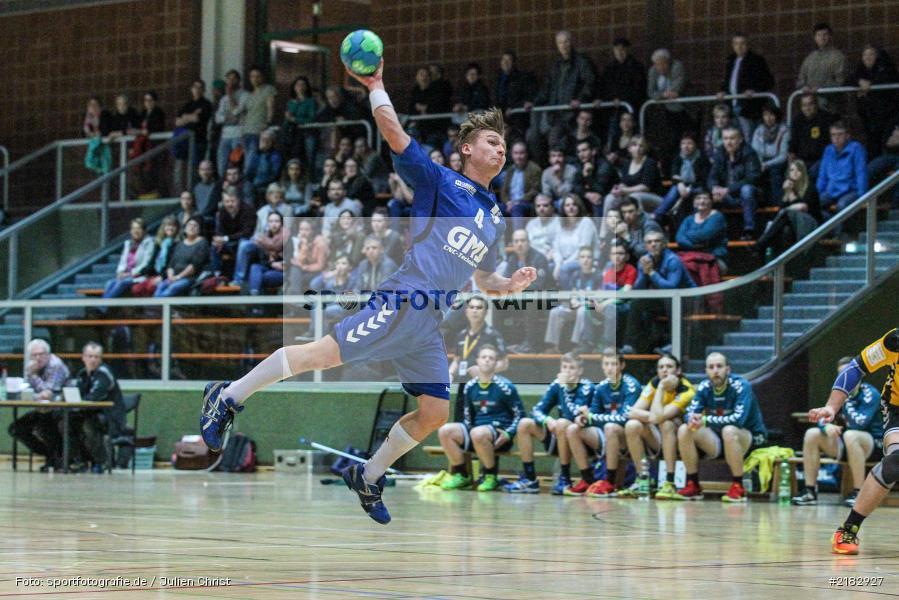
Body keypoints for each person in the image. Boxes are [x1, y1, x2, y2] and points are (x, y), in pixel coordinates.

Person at [200, 62, 537, 524]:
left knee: (435, 411)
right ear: (467, 149)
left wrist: (509, 285)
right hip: (403, 301)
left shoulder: (495, 215)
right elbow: (395, 134)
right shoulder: (441, 181)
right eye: (492, 142)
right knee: (320, 355)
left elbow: (481, 280)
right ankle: (227, 397)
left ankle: (368, 475)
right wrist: (377, 86)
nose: (501, 150)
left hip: (429, 323)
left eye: (504, 145)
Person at [812, 328, 899, 554]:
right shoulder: (895, 341)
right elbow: (857, 367)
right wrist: (832, 406)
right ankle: (848, 529)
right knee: (895, 461)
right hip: (897, 409)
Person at [675, 352, 767, 502]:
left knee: (729, 430)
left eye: (719, 366)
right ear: (706, 371)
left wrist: (704, 420)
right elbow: (689, 413)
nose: (715, 370)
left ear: (728, 370)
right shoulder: (704, 387)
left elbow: (738, 419)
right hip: (720, 440)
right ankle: (693, 484)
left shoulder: (741, 386)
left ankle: (738, 486)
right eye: (711, 367)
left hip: (750, 438)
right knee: (685, 429)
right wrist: (693, 418)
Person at [792, 357, 883, 508]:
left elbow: (859, 423)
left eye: (848, 373)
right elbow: (824, 416)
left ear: (859, 375)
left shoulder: (870, 394)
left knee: (850, 435)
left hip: (874, 445)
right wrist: (825, 427)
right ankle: (810, 491)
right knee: (812, 434)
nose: (845, 378)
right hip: (848, 443)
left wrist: (842, 407)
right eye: (841, 375)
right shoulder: (840, 394)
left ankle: (858, 492)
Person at [438, 345, 525, 492]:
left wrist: (509, 433)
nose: (487, 361)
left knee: (478, 433)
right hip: (476, 434)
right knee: (445, 431)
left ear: (496, 363)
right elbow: (468, 417)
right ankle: (462, 475)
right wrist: (468, 432)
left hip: (499, 435)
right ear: (477, 361)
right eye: (484, 357)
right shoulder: (470, 387)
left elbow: (520, 415)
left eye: (491, 358)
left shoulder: (506, 387)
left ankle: (490, 476)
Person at [504, 353, 592, 494]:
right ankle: (530, 479)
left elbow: (574, 414)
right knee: (524, 423)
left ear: (580, 371)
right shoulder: (556, 385)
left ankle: (565, 478)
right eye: (564, 367)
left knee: (563, 422)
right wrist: (547, 420)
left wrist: (564, 389)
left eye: (572, 368)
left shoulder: (587, 387)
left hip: (580, 441)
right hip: (559, 437)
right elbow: (536, 410)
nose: (567, 371)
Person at [564, 347, 642, 497]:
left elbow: (625, 418)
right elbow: (592, 413)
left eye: (613, 364)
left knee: (611, 427)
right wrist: (583, 419)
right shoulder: (601, 387)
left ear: (622, 366)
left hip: (627, 436)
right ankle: (587, 479)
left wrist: (592, 418)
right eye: (606, 364)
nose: (609, 368)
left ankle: (610, 481)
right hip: (606, 435)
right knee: (573, 429)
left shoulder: (631, 385)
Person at [624, 354, 695, 500]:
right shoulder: (654, 383)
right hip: (659, 439)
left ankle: (669, 482)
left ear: (678, 371)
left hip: (682, 442)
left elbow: (660, 417)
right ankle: (642, 479)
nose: (664, 371)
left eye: (669, 367)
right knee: (632, 425)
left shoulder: (686, 390)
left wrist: (662, 388)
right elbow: (632, 411)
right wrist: (653, 416)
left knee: (667, 423)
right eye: (661, 367)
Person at [525, 30, 597, 162]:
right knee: (537, 137)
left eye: (566, 41)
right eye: (560, 42)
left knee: (560, 142)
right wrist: (534, 103)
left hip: (572, 114)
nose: (563, 45)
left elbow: (590, 83)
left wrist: (580, 99)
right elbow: (547, 88)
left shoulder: (582, 62)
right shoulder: (556, 66)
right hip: (556, 114)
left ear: (571, 42)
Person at [622, 230, 694, 354]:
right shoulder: (644, 261)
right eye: (649, 242)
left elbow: (671, 288)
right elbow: (638, 289)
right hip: (663, 298)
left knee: (670, 300)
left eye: (657, 241)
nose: (653, 244)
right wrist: (645, 273)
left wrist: (651, 273)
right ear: (645, 246)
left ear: (664, 244)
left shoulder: (673, 260)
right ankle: (630, 344)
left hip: (688, 299)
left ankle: (674, 344)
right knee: (636, 302)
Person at [7, 339, 69, 470]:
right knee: (16, 429)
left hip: (61, 409)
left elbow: (48, 393)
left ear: (48, 354)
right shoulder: (34, 366)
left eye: (41, 354)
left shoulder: (55, 365)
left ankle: (56, 457)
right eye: (34, 355)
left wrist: (33, 375)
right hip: (43, 409)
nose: (38, 358)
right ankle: (50, 454)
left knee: (45, 425)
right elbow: (28, 391)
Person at [72, 342, 124, 472]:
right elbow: (76, 395)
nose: (93, 360)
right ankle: (76, 460)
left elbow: (93, 397)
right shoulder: (82, 374)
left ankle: (100, 461)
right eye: (90, 356)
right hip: (91, 413)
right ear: (83, 358)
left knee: (87, 424)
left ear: (101, 359)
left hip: (110, 416)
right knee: (65, 422)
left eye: (96, 357)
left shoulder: (104, 374)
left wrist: (79, 402)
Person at [754, 159, 821, 259]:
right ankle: (778, 262)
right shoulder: (788, 188)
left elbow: (803, 207)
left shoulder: (810, 187)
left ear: (803, 172)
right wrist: (787, 193)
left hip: (810, 222)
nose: (794, 173)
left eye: (798, 170)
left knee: (786, 213)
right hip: (794, 224)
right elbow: (780, 210)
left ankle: (761, 243)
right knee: (784, 230)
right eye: (792, 170)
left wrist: (790, 196)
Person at [675, 190, 728, 309]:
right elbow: (679, 238)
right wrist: (696, 246)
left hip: (715, 258)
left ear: (711, 201)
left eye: (705, 198)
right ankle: (688, 307)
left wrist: (688, 235)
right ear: (693, 202)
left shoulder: (717, 217)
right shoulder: (689, 219)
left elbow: (705, 235)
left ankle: (699, 306)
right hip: (692, 256)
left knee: (690, 267)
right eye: (698, 198)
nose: (702, 201)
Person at [544, 246, 602, 354]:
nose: (585, 260)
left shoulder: (598, 275)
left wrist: (583, 303)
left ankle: (577, 344)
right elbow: (573, 293)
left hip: (592, 308)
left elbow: (598, 298)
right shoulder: (576, 275)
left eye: (589, 257)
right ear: (578, 259)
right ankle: (553, 345)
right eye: (582, 257)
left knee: (582, 311)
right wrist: (574, 301)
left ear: (593, 259)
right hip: (577, 305)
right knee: (555, 312)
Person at [707, 126, 762, 239]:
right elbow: (712, 177)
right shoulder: (720, 153)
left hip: (748, 196)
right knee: (701, 195)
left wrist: (727, 189)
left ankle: (749, 230)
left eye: (732, 138)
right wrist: (714, 188)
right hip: (726, 195)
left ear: (740, 139)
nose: (728, 142)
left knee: (746, 189)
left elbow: (752, 178)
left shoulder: (749, 153)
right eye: (725, 138)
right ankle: (707, 233)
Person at [502, 229, 551, 354]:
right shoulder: (512, 259)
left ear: (528, 242)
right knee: (497, 306)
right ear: (512, 244)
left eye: (523, 240)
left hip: (543, 300)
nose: (519, 244)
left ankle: (530, 344)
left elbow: (538, 285)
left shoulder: (539, 258)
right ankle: (501, 343)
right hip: (519, 299)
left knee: (530, 302)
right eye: (516, 241)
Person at [718, 34, 775, 133]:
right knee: (733, 135)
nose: (739, 47)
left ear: (748, 45)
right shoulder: (730, 60)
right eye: (736, 44)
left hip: (748, 107)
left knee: (748, 136)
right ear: (733, 46)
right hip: (732, 105)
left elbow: (768, 81)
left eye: (742, 43)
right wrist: (722, 91)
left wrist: (754, 90)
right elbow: (727, 81)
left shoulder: (757, 60)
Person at [851, 46, 899, 157]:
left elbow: (888, 79)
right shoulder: (860, 69)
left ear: (877, 57)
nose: (867, 57)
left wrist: (869, 88)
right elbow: (848, 80)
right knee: (872, 145)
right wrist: (859, 81)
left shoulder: (885, 68)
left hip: (887, 115)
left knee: (886, 144)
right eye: (865, 55)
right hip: (869, 116)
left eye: (871, 54)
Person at [653, 133, 709, 228]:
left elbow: (704, 179)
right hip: (681, 185)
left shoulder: (702, 158)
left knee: (699, 195)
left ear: (695, 145)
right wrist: (680, 184)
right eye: (683, 143)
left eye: (689, 143)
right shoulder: (677, 158)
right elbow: (674, 175)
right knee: (673, 191)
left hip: (697, 186)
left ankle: (697, 223)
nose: (686, 146)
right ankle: (658, 215)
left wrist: (689, 189)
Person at [646, 48, 690, 164]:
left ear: (668, 61)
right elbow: (651, 92)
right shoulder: (653, 71)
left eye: (662, 64)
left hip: (683, 110)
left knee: (682, 139)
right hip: (664, 112)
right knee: (666, 143)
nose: (660, 67)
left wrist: (662, 95)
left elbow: (677, 88)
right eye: (657, 64)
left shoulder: (677, 66)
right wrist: (664, 94)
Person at [817, 121, 868, 220]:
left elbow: (861, 173)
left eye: (840, 134)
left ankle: (838, 234)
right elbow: (822, 176)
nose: (836, 138)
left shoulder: (856, 148)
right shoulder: (828, 150)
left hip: (851, 190)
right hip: (831, 190)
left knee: (842, 205)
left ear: (847, 135)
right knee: (812, 203)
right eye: (833, 135)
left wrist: (863, 197)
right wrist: (816, 193)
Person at [603, 135, 663, 217]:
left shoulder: (650, 163)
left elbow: (645, 187)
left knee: (633, 197)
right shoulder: (627, 163)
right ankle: (606, 229)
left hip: (654, 197)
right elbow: (624, 183)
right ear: (629, 148)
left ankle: (637, 227)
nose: (638, 148)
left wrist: (625, 190)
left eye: (641, 146)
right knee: (610, 198)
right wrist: (618, 189)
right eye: (634, 145)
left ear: (645, 149)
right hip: (631, 194)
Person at [598, 38, 646, 134]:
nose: (619, 52)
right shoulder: (609, 68)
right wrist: (606, 99)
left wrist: (622, 99)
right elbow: (603, 87)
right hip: (614, 110)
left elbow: (638, 88)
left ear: (628, 50)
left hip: (631, 108)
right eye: (616, 49)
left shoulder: (636, 67)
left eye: (622, 49)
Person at [154, 217, 209, 297]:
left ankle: (158, 307)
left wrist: (178, 277)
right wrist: (171, 277)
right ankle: (158, 307)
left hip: (190, 278)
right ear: (185, 229)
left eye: (195, 226)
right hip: (174, 277)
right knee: (160, 286)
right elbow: (171, 265)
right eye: (189, 225)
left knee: (173, 287)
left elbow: (194, 266)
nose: (192, 227)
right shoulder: (180, 244)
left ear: (199, 230)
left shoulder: (202, 243)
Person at [102, 218, 156, 298]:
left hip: (139, 276)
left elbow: (146, 264)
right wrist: (120, 272)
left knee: (121, 283)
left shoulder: (149, 243)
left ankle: (103, 306)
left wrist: (130, 274)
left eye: (138, 228)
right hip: (125, 276)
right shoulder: (128, 244)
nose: (136, 231)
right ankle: (107, 308)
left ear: (144, 231)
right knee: (109, 283)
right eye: (133, 228)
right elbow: (122, 261)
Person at [210, 187, 255, 278]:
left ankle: (238, 279)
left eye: (232, 201)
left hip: (247, 241)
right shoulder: (222, 211)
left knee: (243, 245)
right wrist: (219, 240)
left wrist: (225, 238)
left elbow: (247, 233)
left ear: (238, 200)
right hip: (230, 242)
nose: (229, 204)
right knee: (214, 245)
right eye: (227, 201)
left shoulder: (248, 210)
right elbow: (219, 230)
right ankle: (217, 276)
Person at [788, 93, 835, 178]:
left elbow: (831, 143)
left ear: (816, 105)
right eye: (804, 105)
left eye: (810, 104)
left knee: (813, 172)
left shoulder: (825, 118)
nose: (807, 108)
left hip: (821, 160)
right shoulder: (797, 120)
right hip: (802, 161)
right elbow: (793, 145)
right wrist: (791, 165)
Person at [750, 104, 790, 203]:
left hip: (777, 161)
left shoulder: (784, 130)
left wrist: (767, 164)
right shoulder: (759, 130)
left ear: (776, 116)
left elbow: (783, 156)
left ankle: (777, 203)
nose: (768, 118)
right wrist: (759, 164)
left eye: (771, 115)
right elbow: (754, 150)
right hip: (761, 161)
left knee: (775, 172)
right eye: (765, 115)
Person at [132, 216, 180, 296]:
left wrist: (162, 277)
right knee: (136, 288)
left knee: (151, 286)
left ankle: (153, 308)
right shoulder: (158, 244)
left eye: (173, 226)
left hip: (167, 276)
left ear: (177, 228)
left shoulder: (178, 244)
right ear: (163, 227)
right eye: (168, 225)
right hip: (154, 274)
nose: (170, 228)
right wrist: (139, 272)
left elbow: (173, 265)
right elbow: (151, 263)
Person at [500, 141, 542, 232]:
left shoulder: (534, 169)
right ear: (512, 155)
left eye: (521, 153)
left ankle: (518, 237)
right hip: (510, 204)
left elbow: (535, 190)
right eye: (516, 153)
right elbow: (504, 191)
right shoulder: (510, 170)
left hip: (526, 203)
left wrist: (516, 202)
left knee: (517, 208)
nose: (518, 156)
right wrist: (508, 202)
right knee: (493, 208)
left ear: (526, 154)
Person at [797, 23, 848, 95]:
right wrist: (803, 86)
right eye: (819, 35)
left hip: (830, 102)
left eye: (825, 34)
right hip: (811, 102)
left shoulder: (838, 57)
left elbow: (841, 82)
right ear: (815, 38)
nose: (822, 38)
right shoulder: (810, 58)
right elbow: (800, 80)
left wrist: (821, 88)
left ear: (830, 36)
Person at [215, 69, 249, 177]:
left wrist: (230, 96)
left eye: (233, 79)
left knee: (237, 161)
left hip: (239, 134)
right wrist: (227, 118)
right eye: (228, 79)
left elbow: (237, 112)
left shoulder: (245, 95)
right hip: (225, 134)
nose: (230, 82)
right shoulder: (223, 99)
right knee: (222, 164)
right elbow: (218, 118)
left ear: (239, 81)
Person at [574, 137, 618, 218]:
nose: (581, 154)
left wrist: (588, 176)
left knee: (597, 199)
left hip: (610, 196)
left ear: (593, 151)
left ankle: (600, 230)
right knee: (572, 200)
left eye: (584, 150)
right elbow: (575, 186)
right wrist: (587, 194)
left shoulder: (605, 166)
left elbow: (600, 190)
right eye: (579, 152)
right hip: (591, 196)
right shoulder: (580, 165)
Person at [243, 66, 277, 169]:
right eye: (253, 76)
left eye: (258, 76)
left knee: (251, 161)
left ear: (262, 77)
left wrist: (268, 123)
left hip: (259, 130)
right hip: (247, 131)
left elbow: (271, 107)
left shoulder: (268, 89)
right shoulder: (249, 94)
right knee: (247, 159)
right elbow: (246, 113)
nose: (255, 79)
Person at [282, 75, 318, 171]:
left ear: (306, 87)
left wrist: (295, 119)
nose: (300, 87)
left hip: (307, 133)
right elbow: (287, 119)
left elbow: (312, 119)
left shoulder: (311, 101)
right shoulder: (291, 102)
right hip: (293, 134)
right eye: (298, 85)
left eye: (303, 85)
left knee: (309, 157)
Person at [175, 79, 213, 167]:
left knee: (196, 166)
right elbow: (177, 122)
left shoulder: (206, 104)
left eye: (200, 87)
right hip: (185, 140)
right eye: (195, 87)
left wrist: (185, 117)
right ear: (191, 89)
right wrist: (192, 116)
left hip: (198, 140)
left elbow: (197, 119)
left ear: (204, 90)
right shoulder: (187, 105)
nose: (197, 89)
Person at [247, 211, 286, 296]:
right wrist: (272, 263)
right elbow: (262, 260)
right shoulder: (263, 239)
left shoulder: (287, 237)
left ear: (282, 223)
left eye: (277, 221)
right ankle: (254, 295)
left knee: (262, 277)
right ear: (267, 223)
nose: (274, 224)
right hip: (270, 267)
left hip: (284, 271)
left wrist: (280, 264)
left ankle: (255, 302)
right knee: (255, 267)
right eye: (271, 221)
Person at [286, 218, 328, 295]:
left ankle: (296, 300)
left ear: (312, 231)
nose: (303, 232)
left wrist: (303, 267)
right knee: (294, 270)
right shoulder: (303, 241)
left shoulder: (320, 243)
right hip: (307, 270)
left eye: (306, 230)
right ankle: (296, 300)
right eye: (301, 229)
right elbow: (301, 261)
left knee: (294, 277)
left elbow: (320, 266)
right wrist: (304, 245)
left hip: (320, 271)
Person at [526, 194, 561, 261]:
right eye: (538, 206)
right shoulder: (531, 224)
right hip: (532, 260)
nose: (541, 208)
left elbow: (558, 247)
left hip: (551, 260)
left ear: (552, 207)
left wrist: (544, 261)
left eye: (545, 205)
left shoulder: (560, 222)